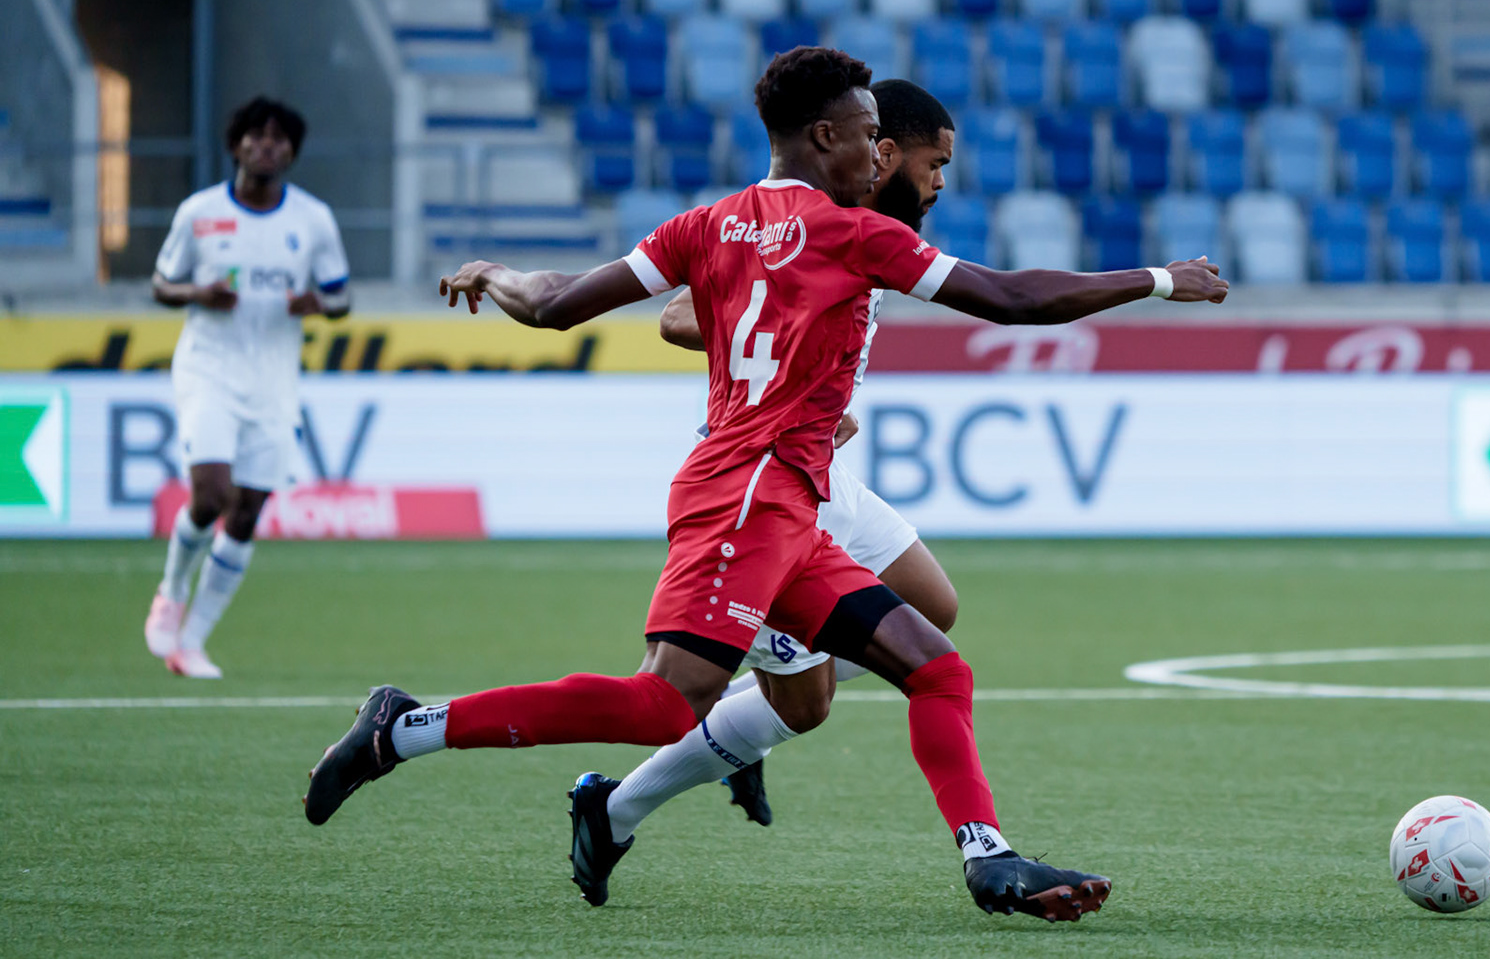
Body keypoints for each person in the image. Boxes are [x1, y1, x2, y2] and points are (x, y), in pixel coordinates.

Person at [301, 48, 1227, 924]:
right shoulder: (855, 233)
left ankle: (989, 858)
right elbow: (1012, 300)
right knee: (662, 705)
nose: (880, 150)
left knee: (936, 664)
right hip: (745, 494)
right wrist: (1156, 279)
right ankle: (404, 728)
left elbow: (553, 304)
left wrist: (494, 272)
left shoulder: (704, 225)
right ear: (826, 138)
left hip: (785, 503)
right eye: (870, 133)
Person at [615, 77, 960, 839]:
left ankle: (743, 707)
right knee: (803, 704)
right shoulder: (818, 220)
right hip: (775, 476)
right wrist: (794, 370)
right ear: (885, 152)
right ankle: (615, 803)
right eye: (933, 165)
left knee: (933, 609)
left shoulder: (870, 222)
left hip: (824, 467)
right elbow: (676, 316)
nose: (940, 184)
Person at [143, 97, 352, 678]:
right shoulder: (200, 213)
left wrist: (318, 303)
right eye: (256, 137)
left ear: (291, 151)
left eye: (279, 138)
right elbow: (162, 283)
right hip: (209, 370)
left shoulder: (312, 220)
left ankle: (193, 642)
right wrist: (196, 294)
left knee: (248, 510)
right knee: (210, 496)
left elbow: (340, 296)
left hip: (274, 382)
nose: (267, 146)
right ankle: (171, 591)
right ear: (235, 145)